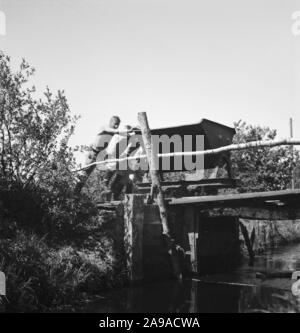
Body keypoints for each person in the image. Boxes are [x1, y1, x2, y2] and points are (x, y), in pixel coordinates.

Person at [75, 116, 122, 193]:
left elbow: (122, 134)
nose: (116, 126)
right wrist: (122, 131)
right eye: (115, 124)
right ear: (110, 122)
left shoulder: (114, 131)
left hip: (102, 155)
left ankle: (104, 187)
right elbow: (112, 130)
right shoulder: (104, 128)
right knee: (85, 175)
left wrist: (134, 131)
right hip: (94, 153)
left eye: (118, 125)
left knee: (114, 165)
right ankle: (75, 192)